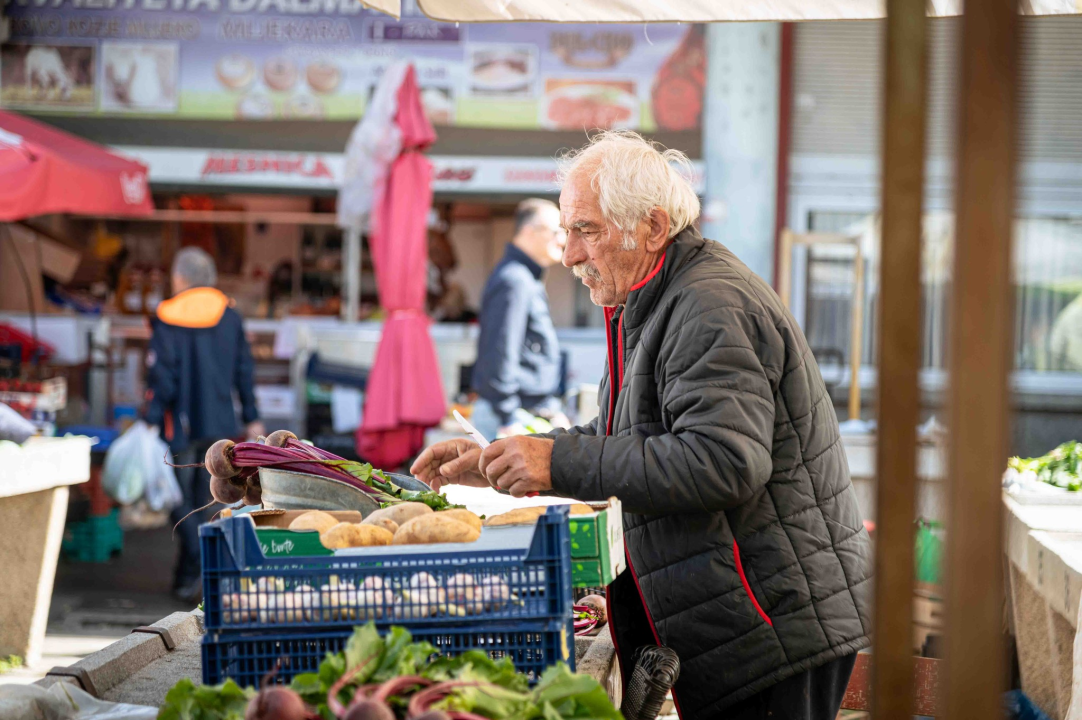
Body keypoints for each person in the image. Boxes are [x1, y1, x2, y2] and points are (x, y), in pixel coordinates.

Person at [412, 131, 872, 720]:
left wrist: (556, 463)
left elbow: (723, 462)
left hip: (769, 629)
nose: (570, 254)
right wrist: (501, 457)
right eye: (567, 230)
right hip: (747, 619)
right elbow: (622, 437)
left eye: (587, 230)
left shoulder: (710, 305)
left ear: (653, 228)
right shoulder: (657, 298)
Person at [145, 247, 263, 604]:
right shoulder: (230, 316)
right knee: (206, 501)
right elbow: (244, 369)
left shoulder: (167, 316)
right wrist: (251, 414)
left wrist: (150, 420)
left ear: (180, 278)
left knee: (178, 503)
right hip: (221, 426)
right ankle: (189, 579)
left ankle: (199, 560)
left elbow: (162, 376)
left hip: (180, 427)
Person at [469, 198, 569, 439]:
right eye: (557, 231)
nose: (563, 239)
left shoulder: (522, 277)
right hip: (508, 418)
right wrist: (508, 416)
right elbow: (499, 351)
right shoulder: (514, 280)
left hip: (520, 413)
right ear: (528, 231)